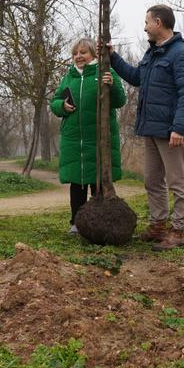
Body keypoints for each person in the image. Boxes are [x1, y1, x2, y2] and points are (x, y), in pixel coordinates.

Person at [107, 4, 184, 251]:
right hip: (150, 128)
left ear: (158, 22)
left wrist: (179, 127)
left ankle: (178, 230)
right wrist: (113, 58)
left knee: (178, 181)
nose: (145, 26)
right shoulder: (152, 54)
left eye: (147, 21)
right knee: (152, 181)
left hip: (171, 130)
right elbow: (137, 78)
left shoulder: (183, 53)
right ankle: (158, 225)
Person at [50, 38, 126, 234]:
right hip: (74, 139)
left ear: (93, 54)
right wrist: (62, 106)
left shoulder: (105, 72)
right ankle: (76, 223)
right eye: (75, 53)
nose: (78, 56)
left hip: (98, 139)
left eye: (83, 52)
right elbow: (55, 102)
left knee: (97, 181)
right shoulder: (69, 76)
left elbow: (120, 101)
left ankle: (98, 221)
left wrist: (112, 85)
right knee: (77, 183)